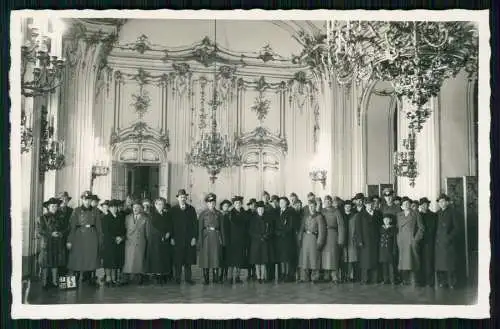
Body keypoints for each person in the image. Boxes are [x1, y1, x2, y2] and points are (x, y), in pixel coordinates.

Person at [66, 191, 102, 286]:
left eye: (89, 199)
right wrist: (69, 240)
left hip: (92, 236)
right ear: (82, 199)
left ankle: (90, 278)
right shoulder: (76, 210)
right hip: (79, 237)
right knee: (77, 258)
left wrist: (100, 240)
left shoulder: (96, 211)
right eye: (85, 199)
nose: (87, 201)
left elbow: (99, 227)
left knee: (91, 258)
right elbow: (72, 227)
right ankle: (74, 281)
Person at [37, 197, 68, 288]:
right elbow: (40, 231)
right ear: (48, 207)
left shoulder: (61, 217)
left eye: (55, 206)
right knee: (45, 263)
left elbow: (66, 229)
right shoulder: (42, 218)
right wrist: (51, 234)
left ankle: (54, 282)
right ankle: (45, 282)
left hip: (58, 243)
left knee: (55, 262)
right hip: (46, 243)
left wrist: (61, 233)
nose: (54, 208)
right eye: (52, 206)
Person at [169, 189, 198, 285]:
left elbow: (195, 224)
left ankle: (188, 278)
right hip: (177, 239)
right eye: (181, 197)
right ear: (177, 198)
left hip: (189, 239)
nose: (183, 199)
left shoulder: (191, 209)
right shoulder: (173, 210)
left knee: (188, 260)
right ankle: (177, 278)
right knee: (178, 260)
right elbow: (170, 225)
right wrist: (172, 237)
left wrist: (194, 237)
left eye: (184, 197)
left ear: (186, 198)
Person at [396, 197, 425, 286]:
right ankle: (405, 281)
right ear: (401, 206)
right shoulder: (399, 215)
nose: (406, 205)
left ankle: (416, 281)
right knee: (403, 262)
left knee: (414, 260)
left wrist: (415, 239)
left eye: (408, 203)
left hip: (411, 241)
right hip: (402, 241)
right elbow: (398, 228)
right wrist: (398, 238)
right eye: (404, 204)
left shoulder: (415, 214)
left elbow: (421, 228)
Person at [435, 194, 460, 289]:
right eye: (439, 202)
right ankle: (442, 282)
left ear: (447, 202)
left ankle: (452, 283)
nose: (441, 203)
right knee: (440, 264)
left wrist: (449, 238)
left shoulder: (453, 212)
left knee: (449, 264)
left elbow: (457, 228)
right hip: (439, 243)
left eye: (443, 201)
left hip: (449, 243)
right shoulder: (437, 213)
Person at [298, 199, 326, 283]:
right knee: (304, 258)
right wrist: (299, 239)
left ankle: (315, 277)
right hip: (305, 238)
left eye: (313, 206)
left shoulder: (319, 217)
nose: (311, 207)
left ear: (315, 206)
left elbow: (322, 231)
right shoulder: (305, 216)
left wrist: (320, 242)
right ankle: (304, 277)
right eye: (310, 206)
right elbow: (301, 228)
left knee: (314, 258)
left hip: (314, 239)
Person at [144, 197, 172, 284]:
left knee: (163, 257)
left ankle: (162, 275)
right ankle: (157, 276)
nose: (161, 206)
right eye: (159, 204)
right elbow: (153, 228)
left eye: (162, 204)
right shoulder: (152, 215)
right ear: (155, 205)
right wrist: (162, 235)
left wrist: (168, 233)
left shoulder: (166, 214)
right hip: (155, 240)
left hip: (165, 239)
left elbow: (170, 225)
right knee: (156, 257)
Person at [354, 197, 380, 285]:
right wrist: (360, 241)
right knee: (365, 261)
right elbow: (358, 229)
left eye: (372, 204)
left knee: (374, 259)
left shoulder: (377, 214)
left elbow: (379, 227)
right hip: (365, 241)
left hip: (375, 240)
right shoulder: (360, 215)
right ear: (365, 205)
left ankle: (374, 279)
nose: (370, 206)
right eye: (368, 204)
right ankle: (364, 279)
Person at [321, 195, 346, 284]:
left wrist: (341, 239)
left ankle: (334, 276)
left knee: (333, 256)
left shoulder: (336, 211)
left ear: (331, 202)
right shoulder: (322, 211)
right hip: (323, 235)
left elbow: (341, 226)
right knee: (324, 256)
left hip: (333, 235)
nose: (327, 202)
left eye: (329, 201)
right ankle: (326, 276)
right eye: (325, 201)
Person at [101, 199, 126, 286]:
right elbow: (106, 232)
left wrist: (121, 238)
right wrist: (115, 238)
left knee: (116, 260)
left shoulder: (121, 217)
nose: (114, 209)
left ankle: (114, 278)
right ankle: (108, 278)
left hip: (119, 242)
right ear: (109, 208)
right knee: (109, 260)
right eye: (112, 207)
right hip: (109, 242)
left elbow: (124, 229)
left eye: (116, 207)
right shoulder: (106, 218)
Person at [122, 200, 148, 285]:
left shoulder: (145, 218)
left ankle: (139, 277)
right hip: (129, 242)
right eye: (134, 207)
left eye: (137, 207)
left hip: (140, 241)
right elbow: (124, 229)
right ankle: (127, 278)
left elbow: (147, 232)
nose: (135, 209)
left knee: (139, 260)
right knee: (128, 260)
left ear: (141, 208)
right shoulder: (127, 217)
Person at [249, 201, 273, 283]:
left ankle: (262, 277)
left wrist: (266, 236)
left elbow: (270, 229)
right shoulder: (253, 219)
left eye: (262, 209)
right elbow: (250, 231)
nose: (261, 210)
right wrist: (259, 237)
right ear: (256, 209)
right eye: (259, 209)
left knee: (263, 260)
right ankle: (258, 276)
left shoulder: (267, 218)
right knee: (256, 260)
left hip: (264, 242)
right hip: (256, 242)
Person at [226, 196, 248, 284]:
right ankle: (230, 278)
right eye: (236, 203)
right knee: (231, 261)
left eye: (239, 203)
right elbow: (226, 228)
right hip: (232, 240)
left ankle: (237, 277)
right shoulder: (230, 214)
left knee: (239, 260)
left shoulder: (244, 213)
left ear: (241, 204)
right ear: (234, 204)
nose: (238, 205)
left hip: (241, 240)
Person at [274, 196, 296, 282]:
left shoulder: (290, 212)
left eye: (283, 202)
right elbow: (275, 224)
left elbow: (290, 226)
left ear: (287, 203)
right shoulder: (277, 212)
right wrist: (277, 232)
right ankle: (282, 274)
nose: (281, 204)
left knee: (287, 257)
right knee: (281, 257)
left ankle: (288, 275)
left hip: (287, 238)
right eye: (280, 202)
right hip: (279, 239)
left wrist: (283, 233)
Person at [419, 197, 437, 287]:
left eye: (426, 204)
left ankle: (430, 282)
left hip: (430, 241)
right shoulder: (418, 215)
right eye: (422, 205)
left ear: (428, 205)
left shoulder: (433, 215)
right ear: (420, 206)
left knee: (430, 261)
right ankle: (422, 281)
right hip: (420, 242)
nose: (424, 206)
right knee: (420, 261)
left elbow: (434, 229)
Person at [379, 216, 397, 284]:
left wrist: (394, 250)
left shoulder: (393, 228)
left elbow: (395, 241)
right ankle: (385, 279)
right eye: (385, 219)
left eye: (387, 219)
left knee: (391, 265)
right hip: (382, 249)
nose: (386, 221)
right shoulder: (381, 228)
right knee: (384, 265)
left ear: (390, 220)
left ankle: (392, 280)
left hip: (390, 249)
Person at [342, 200, 358, 282]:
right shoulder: (341, 216)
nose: (348, 208)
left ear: (351, 207)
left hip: (352, 239)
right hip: (344, 239)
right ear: (344, 207)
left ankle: (351, 276)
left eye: (349, 206)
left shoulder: (354, 216)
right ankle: (344, 276)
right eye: (346, 207)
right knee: (344, 259)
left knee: (352, 259)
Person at [218, 199, 232, 283]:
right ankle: (220, 275)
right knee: (221, 258)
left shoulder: (230, 215)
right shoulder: (219, 215)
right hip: (221, 239)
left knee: (227, 258)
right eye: (225, 206)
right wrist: (219, 238)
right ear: (222, 207)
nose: (226, 207)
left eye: (227, 206)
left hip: (229, 239)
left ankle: (226, 274)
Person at [245, 198, 258, 281]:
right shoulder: (246, 213)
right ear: (249, 205)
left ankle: (254, 272)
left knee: (255, 255)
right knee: (249, 255)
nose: (253, 206)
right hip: (248, 238)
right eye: (251, 204)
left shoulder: (257, 214)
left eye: (254, 205)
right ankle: (249, 273)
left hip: (255, 237)